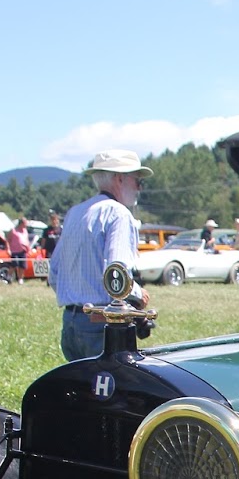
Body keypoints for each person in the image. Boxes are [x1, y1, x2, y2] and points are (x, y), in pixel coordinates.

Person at [50, 149, 151, 361]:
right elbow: (116, 274)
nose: (139, 188)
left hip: (70, 323)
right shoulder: (118, 214)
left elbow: (55, 271)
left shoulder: (75, 212)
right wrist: (138, 294)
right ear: (120, 178)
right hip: (101, 324)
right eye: (137, 181)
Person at [6, 218, 30, 283]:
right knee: (14, 264)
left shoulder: (25, 231)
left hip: (23, 251)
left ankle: (20, 279)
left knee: (22, 265)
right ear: (21, 223)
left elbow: (26, 240)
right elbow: (8, 240)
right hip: (15, 251)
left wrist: (28, 249)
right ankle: (8, 276)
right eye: (25, 223)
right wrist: (8, 249)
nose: (26, 225)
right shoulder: (13, 231)